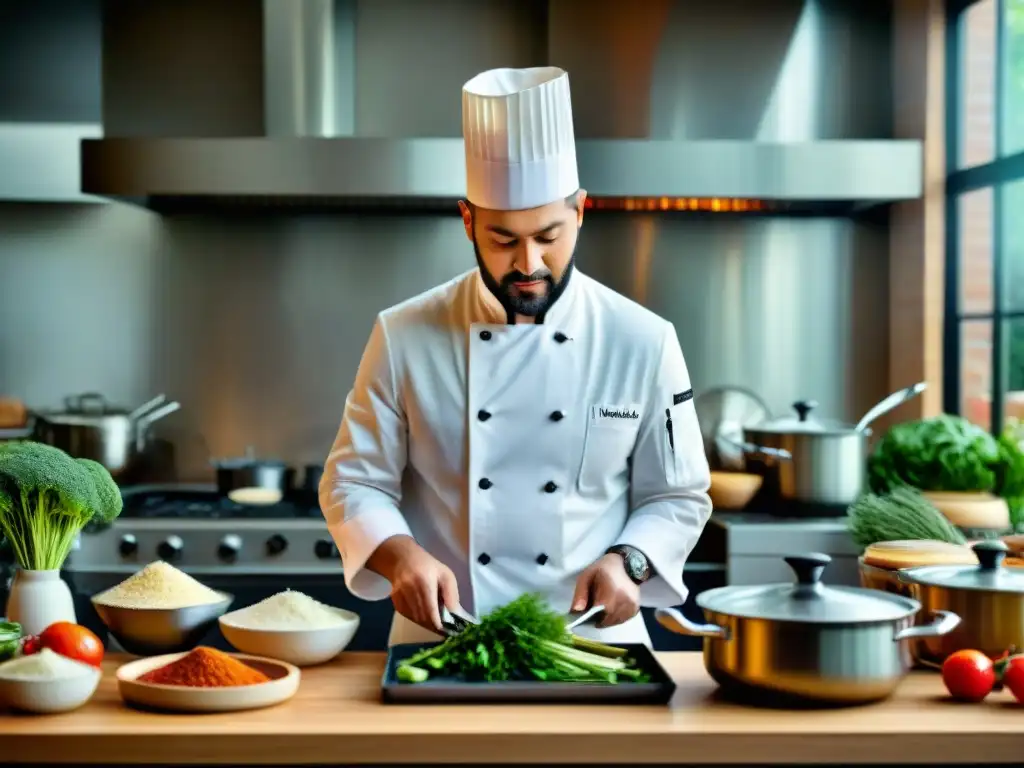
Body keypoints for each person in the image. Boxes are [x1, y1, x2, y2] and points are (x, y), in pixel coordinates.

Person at [320, 66, 712, 647]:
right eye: (503, 239)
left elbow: (677, 494)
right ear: (468, 220)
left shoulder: (643, 339)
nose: (528, 262)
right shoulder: (404, 333)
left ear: (580, 211)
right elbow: (353, 482)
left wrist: (631, 561)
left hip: (594, 646)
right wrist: (400, 558)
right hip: (443, 643)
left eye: (549, 236)